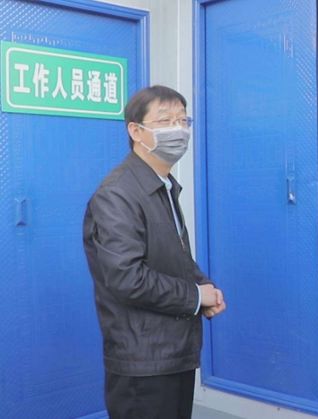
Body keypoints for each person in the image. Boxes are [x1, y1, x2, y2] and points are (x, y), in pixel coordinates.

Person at [83, 85, 226, 419]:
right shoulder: (117, 194)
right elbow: (127, 278)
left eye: (183, 120)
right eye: (165, 121)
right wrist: (195, 296)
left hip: (174, 351)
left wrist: (204, 286)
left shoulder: (163, 186)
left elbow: (173, 256)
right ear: (136, 131)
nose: (178, 130)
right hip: (143, 360)